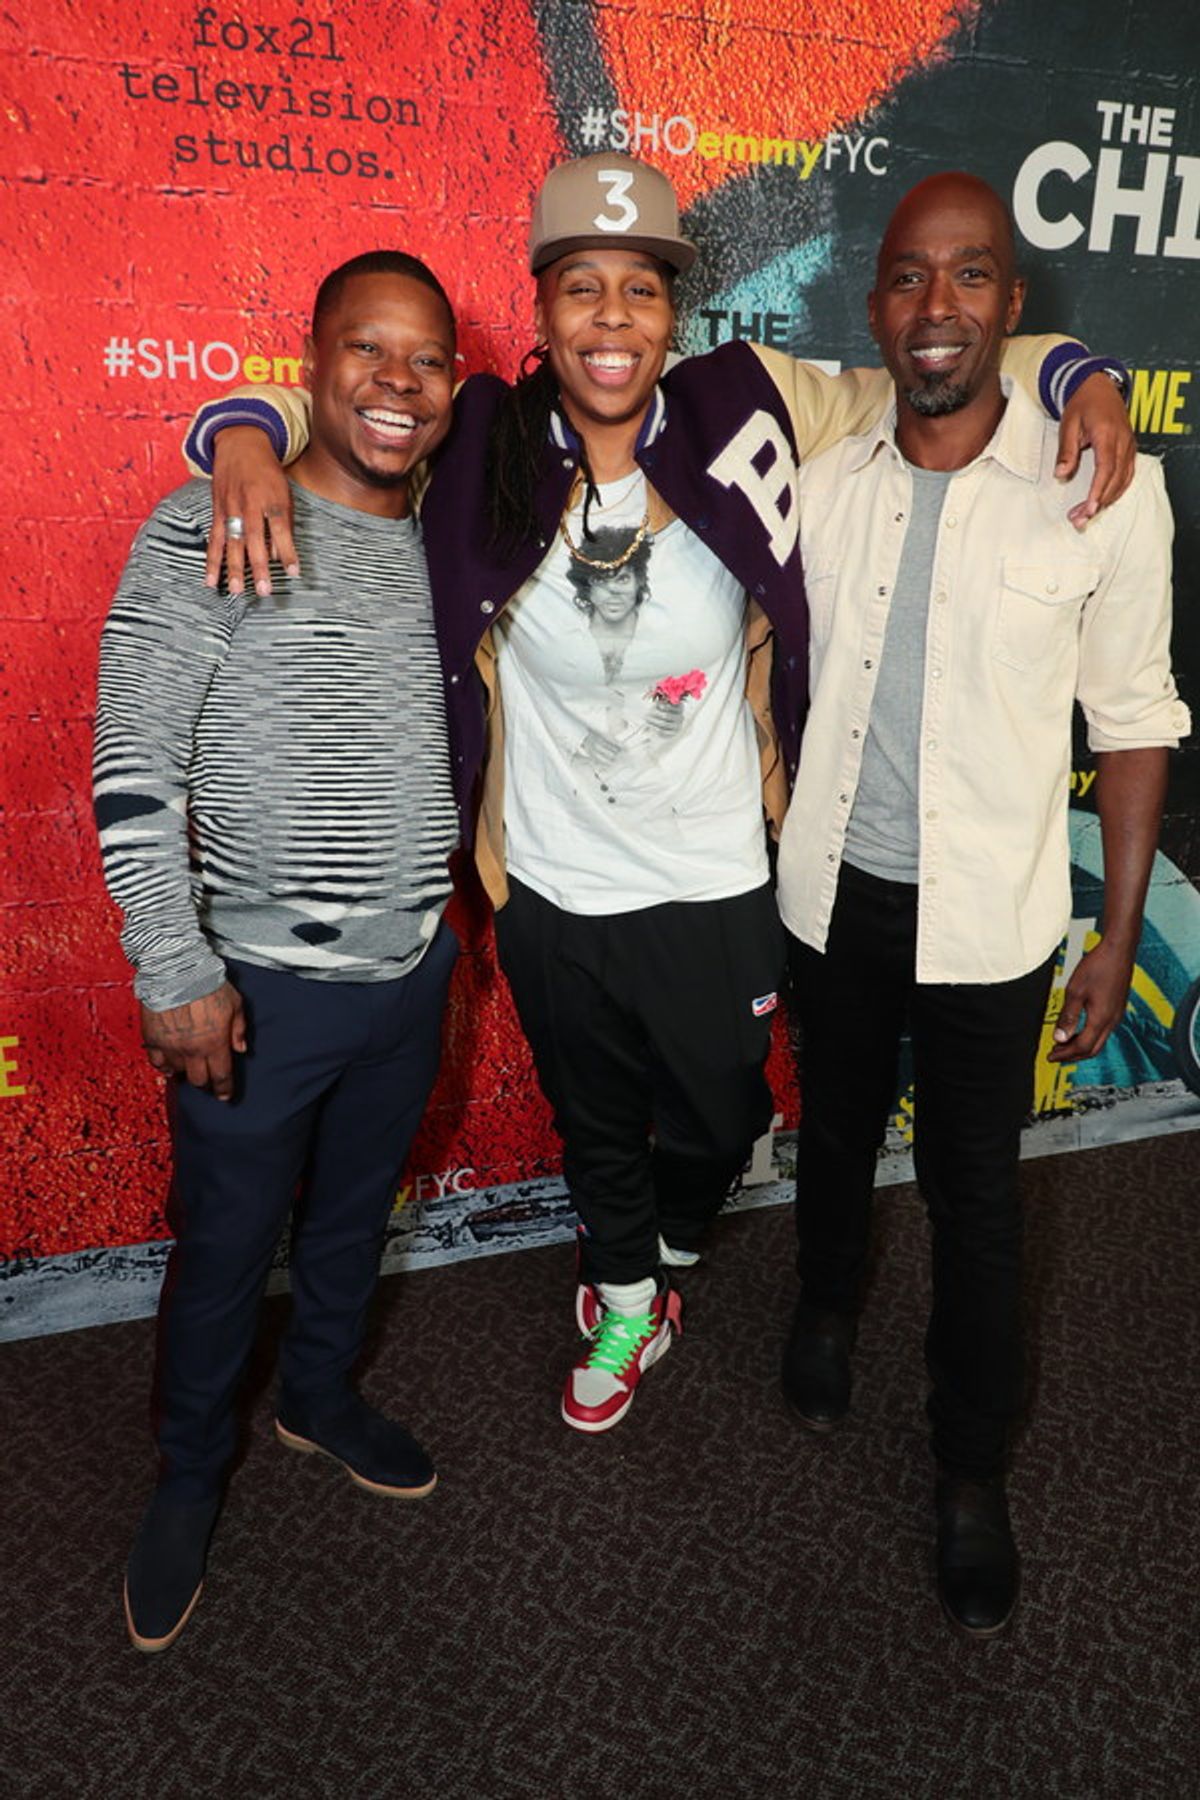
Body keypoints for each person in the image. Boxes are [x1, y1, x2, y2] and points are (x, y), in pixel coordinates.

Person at [182, 153, 1136, 1438]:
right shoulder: (487, 443)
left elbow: (940, 358)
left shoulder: (749, 404)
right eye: (583, 288)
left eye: (639, 289)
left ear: (672, 312)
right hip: (554, 884)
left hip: (722, 877)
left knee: (722, 1106)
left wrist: (1083, 372)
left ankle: (667, 1240)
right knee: (594, 1120)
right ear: (545, 310)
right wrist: (244, 429)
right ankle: (625, 1286)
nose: (612, 320)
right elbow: (363, 408)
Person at [774, 173, 1189, 1636]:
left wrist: (1120, 932)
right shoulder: (826, 484)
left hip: (992, 926)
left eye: (970, 277)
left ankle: (968, 1471)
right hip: (829, 894)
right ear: (874, 305)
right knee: (826, 1130)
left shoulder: (1100, 495)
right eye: (906, 277)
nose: (935, 305)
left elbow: (1134, 718)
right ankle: (824, 1303)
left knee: (977, 1204)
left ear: (1012, 308)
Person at [94, 252, 462, 1652]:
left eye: (424, 360)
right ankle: (189, 1474)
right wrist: (172, 968)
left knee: (357, 1220)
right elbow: (134, 761)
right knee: (226, 1250)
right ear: (310, 362)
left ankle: (315, 1397)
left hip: (412, 977)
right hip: (255, 991)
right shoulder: (210, 517)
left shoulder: (452, 535)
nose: (396, 383)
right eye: (366, 351)